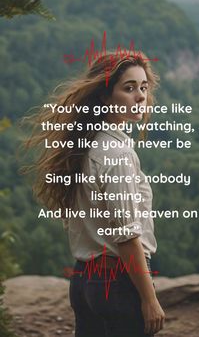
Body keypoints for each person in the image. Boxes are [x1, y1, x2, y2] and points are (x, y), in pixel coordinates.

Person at [23, 51, 165, 337]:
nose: (140, 96)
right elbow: (126, 238)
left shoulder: (85, 145)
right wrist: (149, 300)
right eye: (129, 88)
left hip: (84, 280)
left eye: (143, 87)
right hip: (118, 282)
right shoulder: (117, 153)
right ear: (104, 97)